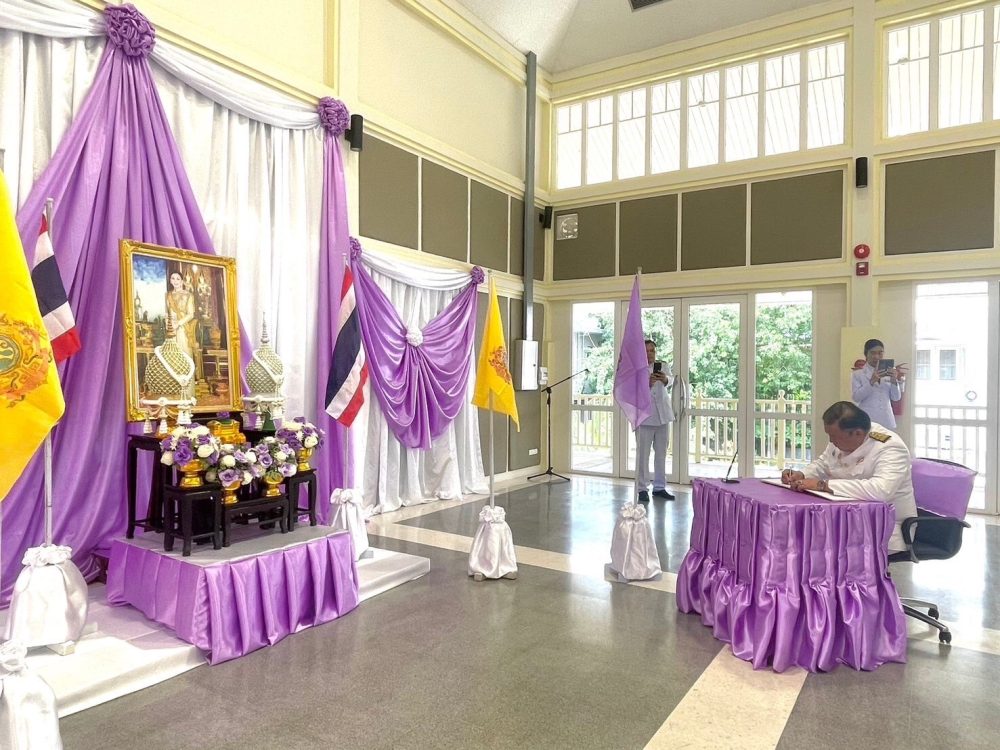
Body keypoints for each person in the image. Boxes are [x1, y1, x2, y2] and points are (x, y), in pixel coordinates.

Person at [781, 401, 916, 553]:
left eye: (834, 436)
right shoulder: (842, 438)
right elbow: (824, 463)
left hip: (883, 527)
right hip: (845, 519)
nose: (831, 441)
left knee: (814, 547)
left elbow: (881, 490)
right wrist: (802, 474)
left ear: (857, 433)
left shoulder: (890, 447)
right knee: (798, 537)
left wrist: (822, 485)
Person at [636, 339, 675, 503]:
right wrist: (647, 383)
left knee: (661, 454)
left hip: (663, 416)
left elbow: (671, 380)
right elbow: (633, 391)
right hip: (645, 417)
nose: (650, 354)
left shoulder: (662, 365)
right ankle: (642, 488)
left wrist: (665, 379)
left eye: (652, 351)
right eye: (646, 351)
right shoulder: (636, 369)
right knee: (643, 455)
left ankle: (659, 487)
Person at [851, 338, 905, 428]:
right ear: (866, 354)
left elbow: (896, 398)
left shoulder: (890, 372)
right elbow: (856, 398)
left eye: (880, 353)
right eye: (873, 353)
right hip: (866, 418)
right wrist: (871, 382)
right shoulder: (858, 374)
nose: (876, 356)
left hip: (886, 419)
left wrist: (894, 380)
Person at [165, 270, 197, 361]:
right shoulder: (168, 295)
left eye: (178, 279)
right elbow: (167, 312)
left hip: (183, 327)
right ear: (170, 281)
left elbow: (191, 314)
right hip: (171, 328)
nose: (175, 281)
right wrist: (167, 323)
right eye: (173, 278)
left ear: (182, 281)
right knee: (172, 355)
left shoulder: (188, 295)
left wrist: (178, 323)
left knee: (184, 353)